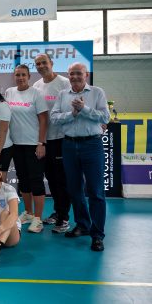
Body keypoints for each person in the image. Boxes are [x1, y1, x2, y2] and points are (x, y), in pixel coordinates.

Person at [50, 62, 110, 252]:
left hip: (92, 144)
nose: (75, 77)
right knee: (74, 189)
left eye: (79, 73)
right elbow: (54, 118)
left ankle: (97, 235)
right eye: (71, 74)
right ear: (68, 76)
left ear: (86, 75)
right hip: (68, 145)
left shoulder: (97, 92)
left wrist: (84, 109)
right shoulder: (62, 94)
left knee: (96, 192)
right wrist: (72, 114)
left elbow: (105, 117)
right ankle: (83, 225)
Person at [5, 64, 48, 233]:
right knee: (23, 179)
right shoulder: (9, 92)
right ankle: (29, 213)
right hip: (16, 144)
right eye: (18, 75)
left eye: (23, 75)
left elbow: (43, 119)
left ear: (29, 76)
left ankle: (38, 219)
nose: (20, 78)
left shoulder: (36, 93)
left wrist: (41, 143)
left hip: (33, 145)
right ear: (14, 76)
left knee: (36, 180)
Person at [33, 53, 72, 233]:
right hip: (44, 140)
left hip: (60, 139)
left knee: (61, 180)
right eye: (38, 64)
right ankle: (58, 212)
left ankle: (64, 218)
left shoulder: (64, 83)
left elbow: (71, 108)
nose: (41, 66)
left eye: (44, 62)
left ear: (52, 63)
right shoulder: (37, 85)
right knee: (51, 178)